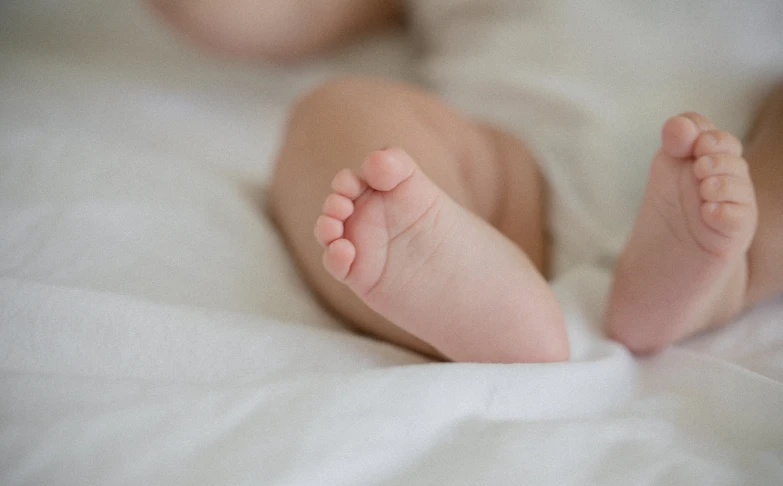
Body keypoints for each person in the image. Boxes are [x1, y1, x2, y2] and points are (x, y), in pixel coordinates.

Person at [149, 0, 783, 363]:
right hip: (506, 188)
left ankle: (708, 280)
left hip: (741, 150)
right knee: (341, 117)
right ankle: (486, 301)